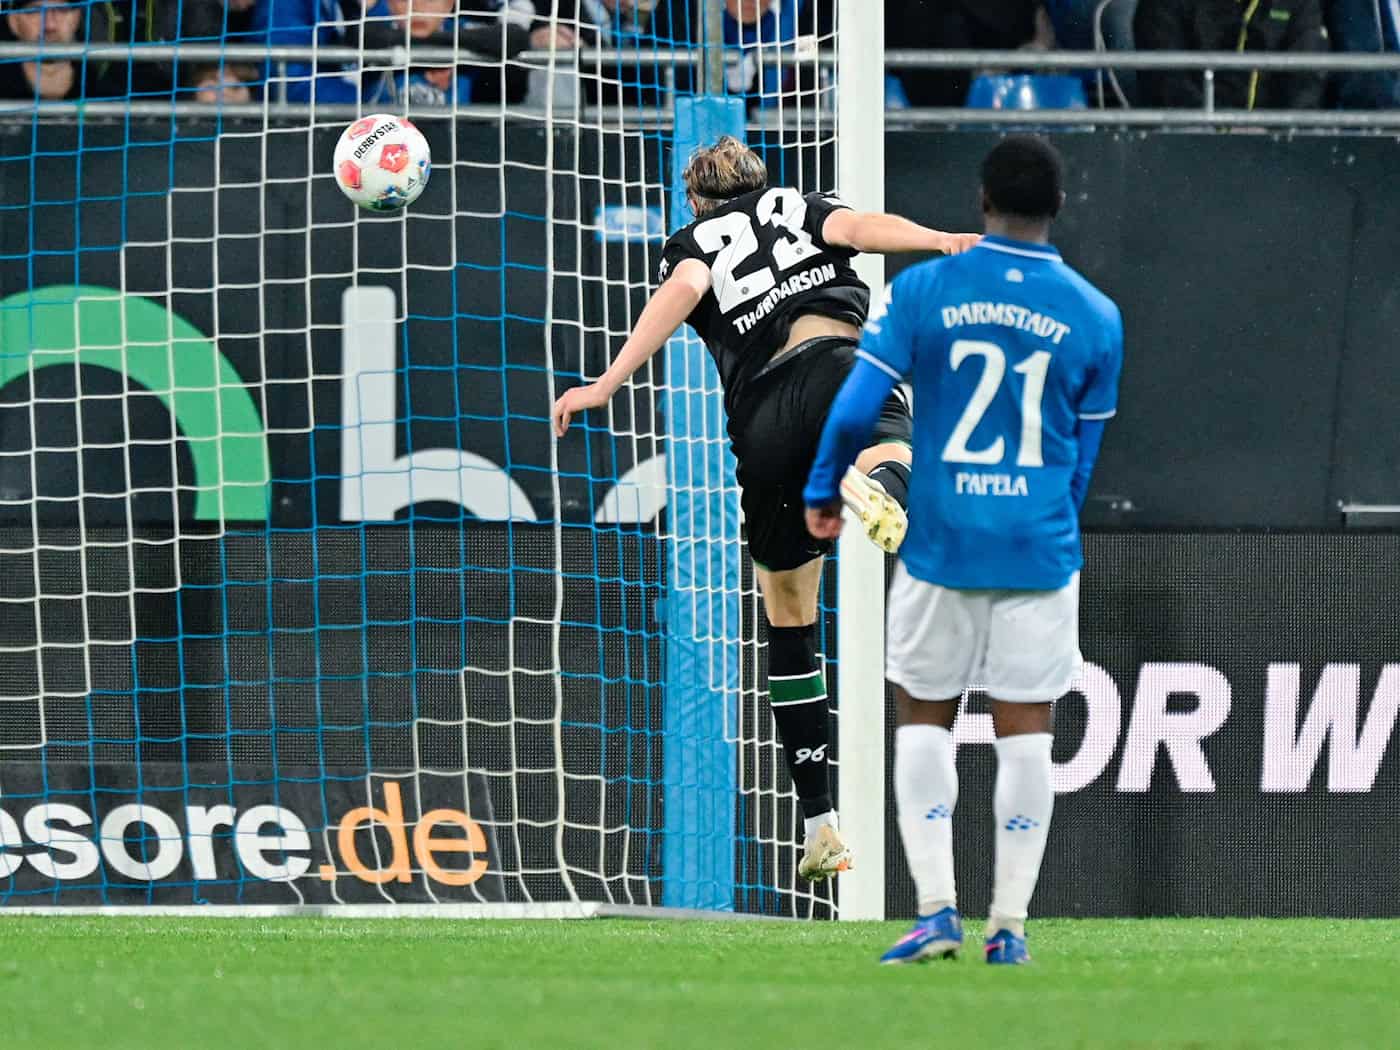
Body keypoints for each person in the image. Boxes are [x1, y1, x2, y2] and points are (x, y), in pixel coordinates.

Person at [552, 136, 979, 882]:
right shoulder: (796, 206)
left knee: (787, 606)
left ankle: (820, 825)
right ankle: (877, 484)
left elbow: (682, 291)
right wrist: (938, 239)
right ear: (761, 183)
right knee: (890, 439)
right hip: (839, 363)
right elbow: (861, 228)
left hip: (761, 418)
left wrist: (608, 382)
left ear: (695, 199)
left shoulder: (692, 239)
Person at [804, 136, 1122, 963]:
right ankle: (1008, 927)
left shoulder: (924, 290)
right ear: (1058, 208)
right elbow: (1082, 462)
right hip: (1037, 548)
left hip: (940, 543)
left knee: (923, 718)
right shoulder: (1096, 315)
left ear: (983, 201)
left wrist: (821, 491)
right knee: (1026, 734)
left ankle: (937, 912)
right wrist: (1043, 517)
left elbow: (855, 407)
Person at [1134, 0, 1328, 109]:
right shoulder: (1164, 5)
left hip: (1274, 146)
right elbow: (1166, 80)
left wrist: (1275, 129)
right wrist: (1222, 126)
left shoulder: (1299, 4)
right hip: (1191, 141)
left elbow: (1305, 79)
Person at [0, 0, 123, 101]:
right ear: (13, 22)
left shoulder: (110, 97)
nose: (50, 25)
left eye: (62, 10)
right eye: (36, 11)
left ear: (76, 18)